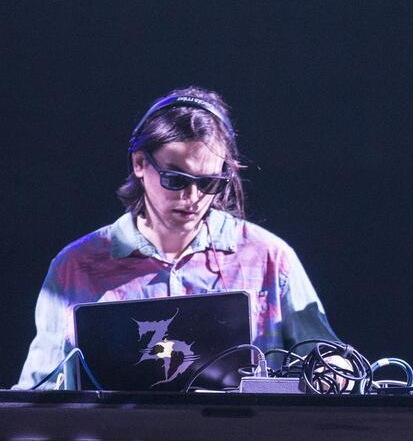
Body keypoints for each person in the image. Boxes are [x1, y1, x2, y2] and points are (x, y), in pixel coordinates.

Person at [16, 87, 338, 389]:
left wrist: (336, 371)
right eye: (175, 179)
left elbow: (329, 363)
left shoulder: (270, 257)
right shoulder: (76, 267)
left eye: (208, 183)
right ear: (140, 163)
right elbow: (37, 394)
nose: (193, 197)